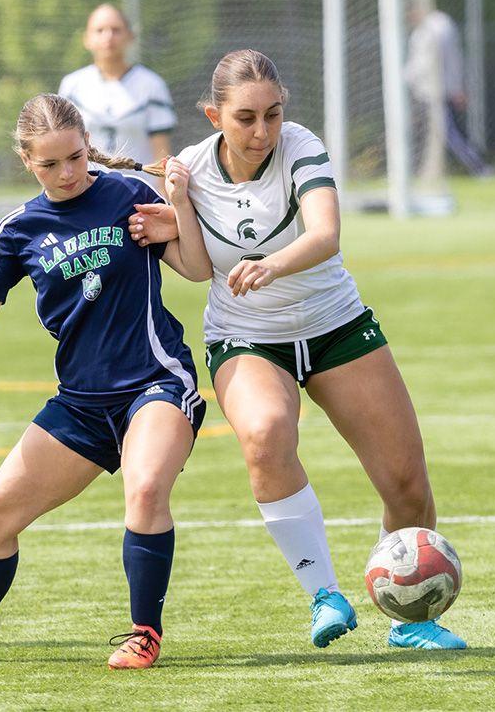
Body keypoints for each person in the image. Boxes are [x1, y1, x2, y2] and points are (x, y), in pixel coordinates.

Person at [128, 50, 467, 650]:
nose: (262, 131)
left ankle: (412, 620)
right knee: (265, 434)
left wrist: (272, 264)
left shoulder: (301, 146)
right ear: (214, 116)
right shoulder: (190, 168)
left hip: (336, 325)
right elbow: (198, 268)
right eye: (245, 118)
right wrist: (176, 213)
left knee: (407, 484)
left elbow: (326, 234)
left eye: (273, 113)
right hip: (246, 335)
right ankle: (324, 595)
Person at [0, 93, 209, 670]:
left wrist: (180, 205)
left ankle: (144, 634)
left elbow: (195, 267)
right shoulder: (18, 230)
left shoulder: (128, 194)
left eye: (76, 158)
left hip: (156, 382)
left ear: (88, 145)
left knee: (144, 490)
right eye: (50, 164)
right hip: (81, 403)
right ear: (26, 162)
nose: (67, 174)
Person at [59, 3, 177, 194]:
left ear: (130, 36)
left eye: (116, 30)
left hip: (138, 194)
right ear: (86, 38)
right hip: (84, 194)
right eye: (99, 30)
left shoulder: (152, 85)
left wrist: (165, 198)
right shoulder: (72, 86)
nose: (108, 36)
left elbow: (161, 152)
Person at [404, 6, 495, 178]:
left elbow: (449, 60)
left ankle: (479, 168)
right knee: (430, 131)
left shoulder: (439, 27)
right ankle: (411, 171)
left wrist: (456, 88)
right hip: (421, 92)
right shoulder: (420, 32)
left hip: (435, 92)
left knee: (448, 132)